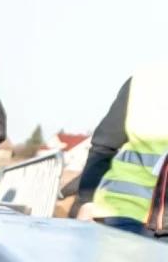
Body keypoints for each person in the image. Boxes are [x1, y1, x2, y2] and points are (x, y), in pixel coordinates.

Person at [64, 65, 168, 236]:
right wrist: (87, 201)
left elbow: (104, 145)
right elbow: (104, 145)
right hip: (126, 214)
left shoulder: (145, 80)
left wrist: (86, 201)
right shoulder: (144, 80)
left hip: (121, 212)